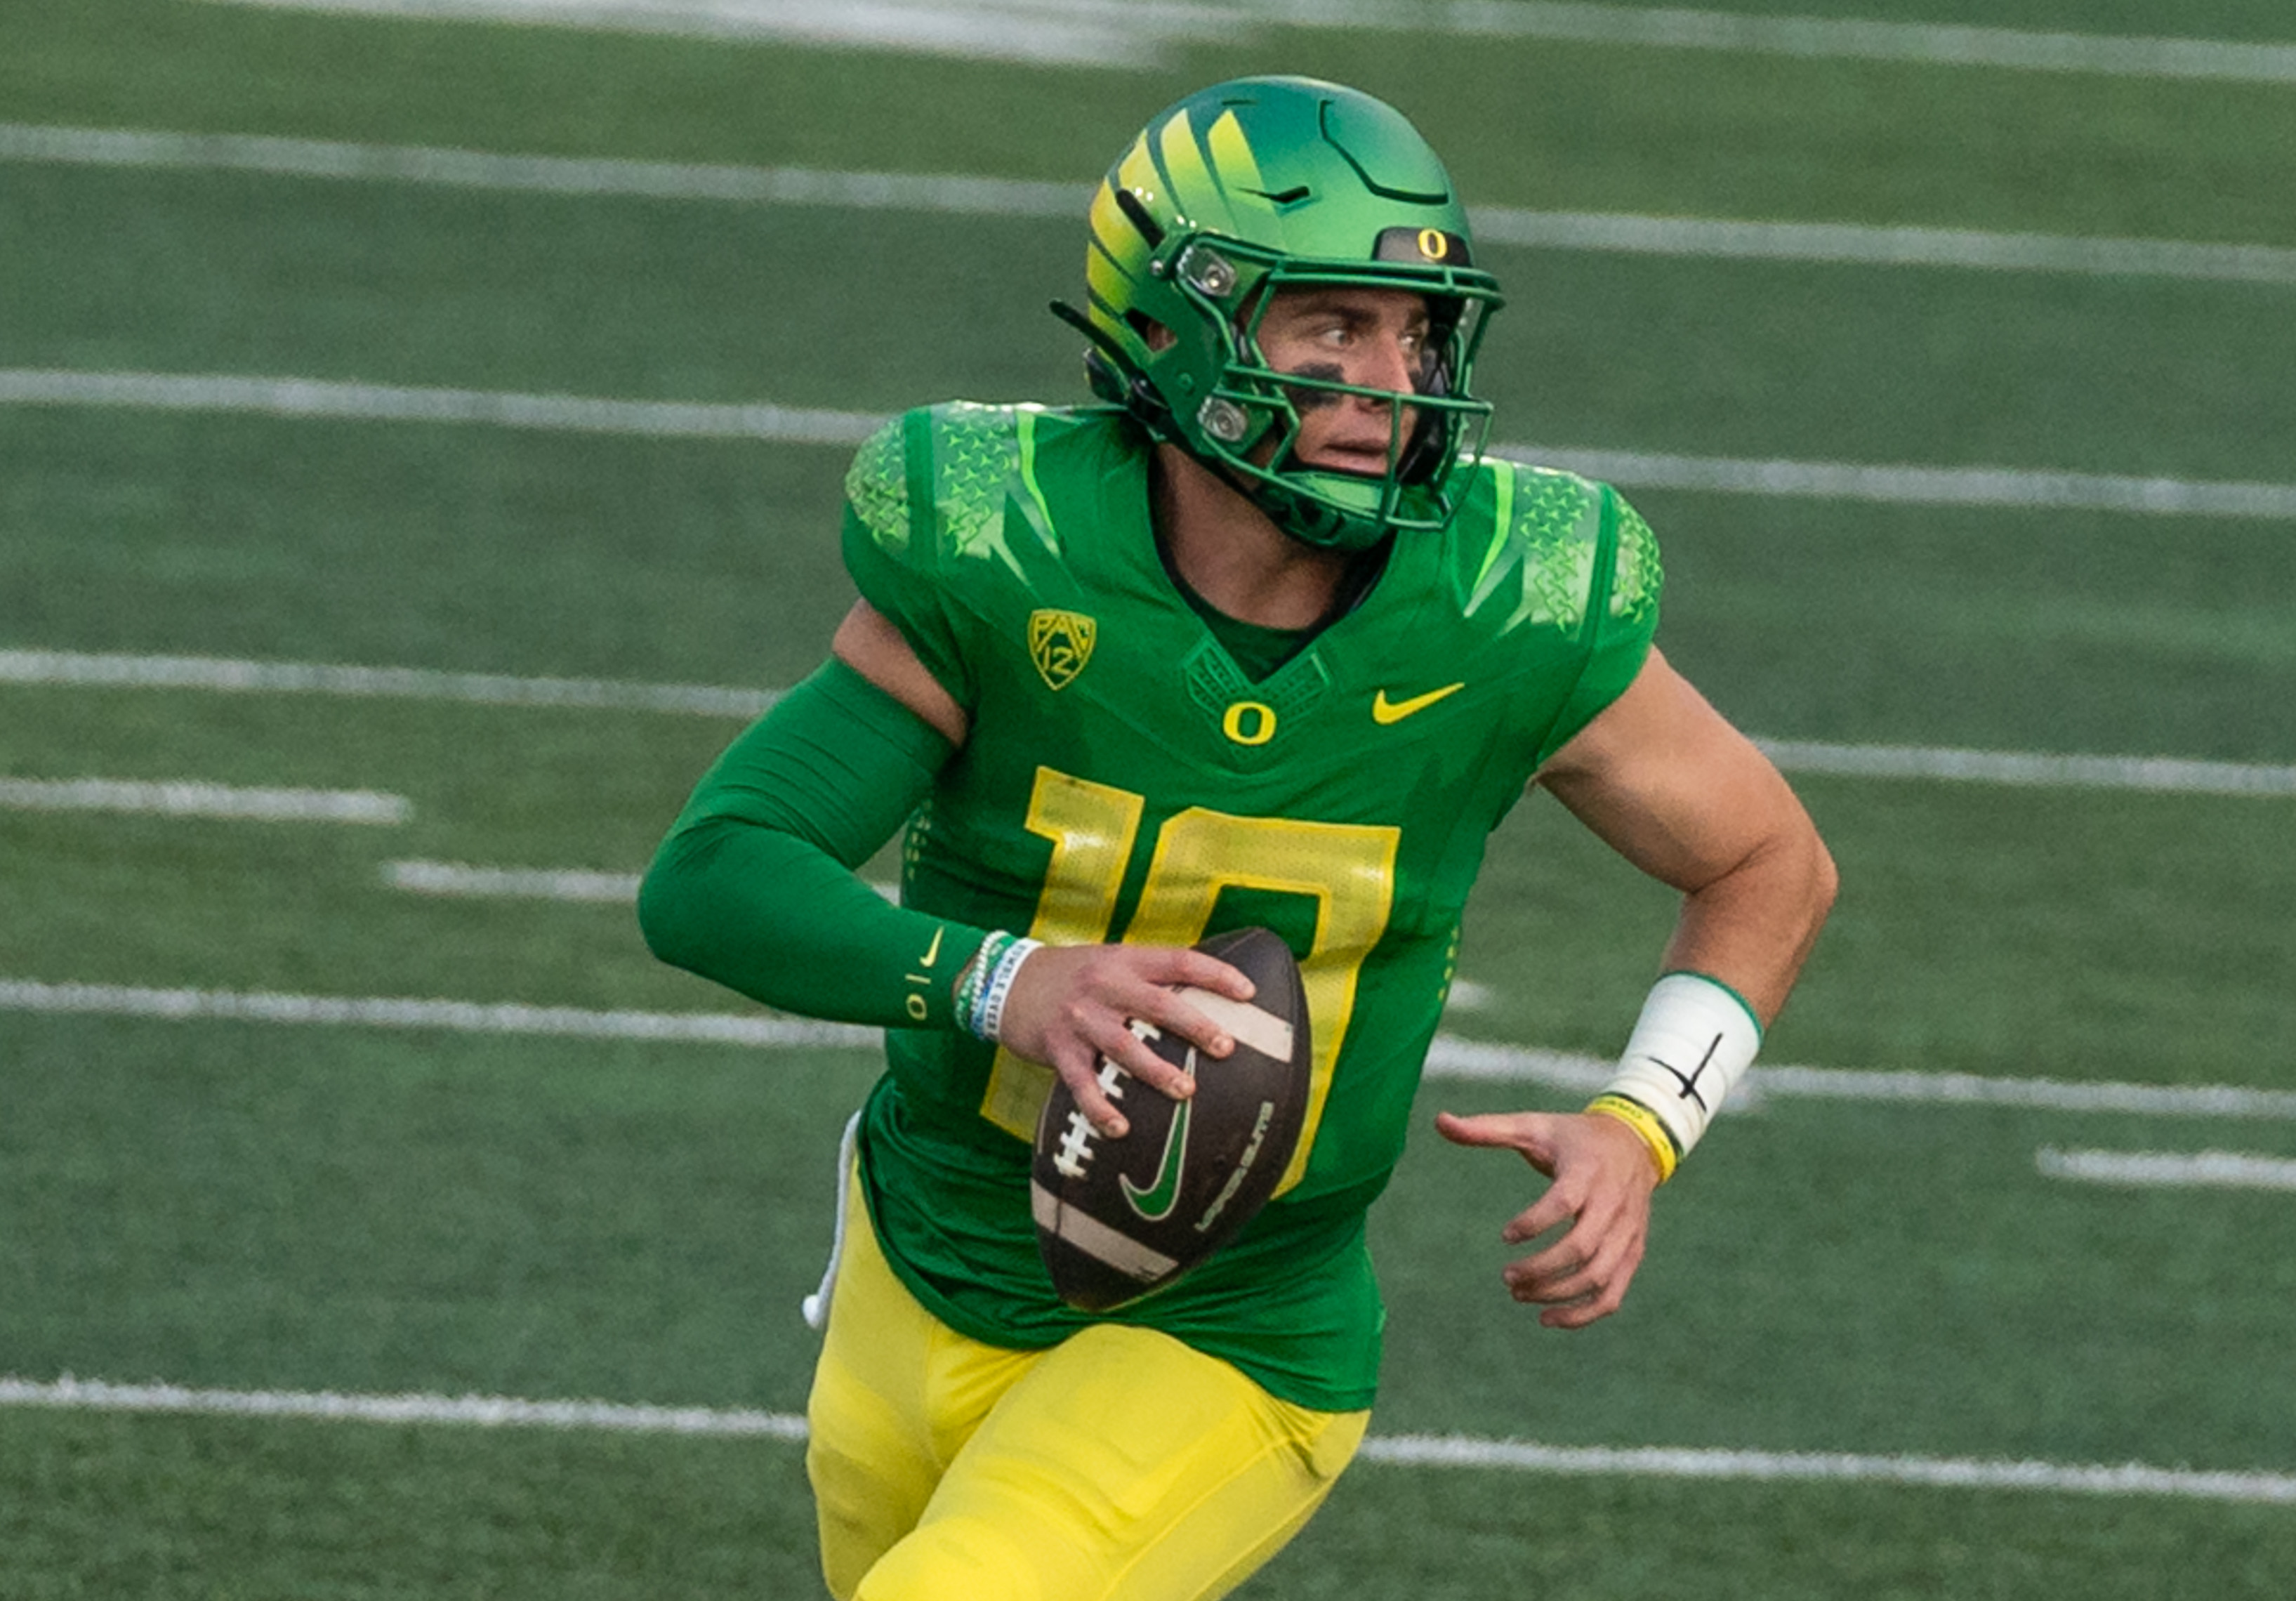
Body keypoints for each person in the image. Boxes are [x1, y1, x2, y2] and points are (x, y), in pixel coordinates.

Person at [640, 74, 1835, 1601]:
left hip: (1229, 1330)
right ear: (1176, 324)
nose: (1388, 383)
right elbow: (717, 875)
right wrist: (1016, 985)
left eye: (1418, 331)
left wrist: (1645, 1123)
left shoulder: (1507, 605)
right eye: (1329, 327)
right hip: (919, 1256)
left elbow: (1765, 862)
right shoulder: (1009, 549)